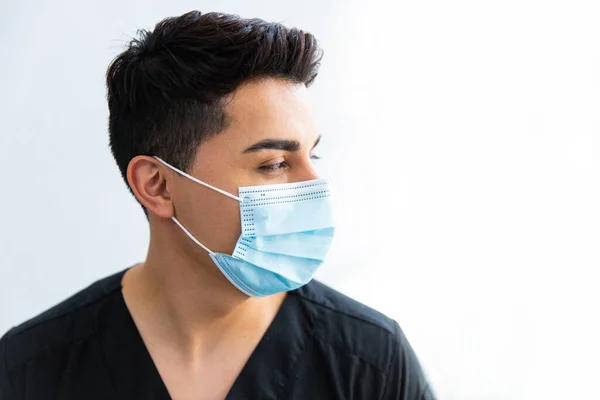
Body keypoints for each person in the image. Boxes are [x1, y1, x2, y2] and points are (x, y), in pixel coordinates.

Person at [0, 10, 434, 400]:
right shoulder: (27, 371)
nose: (314, 185)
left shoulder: (371, 364)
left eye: (311, 156)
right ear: (158, 185)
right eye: (274, 163)